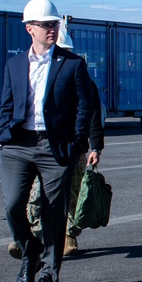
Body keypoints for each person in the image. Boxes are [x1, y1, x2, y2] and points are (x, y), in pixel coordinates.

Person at [0, 0, 94, 282]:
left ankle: (49, 274)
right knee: (13, 206)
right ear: (29, 29)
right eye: (45, 25)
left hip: (55, 147)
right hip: (17, 144)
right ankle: (31, 253)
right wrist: (3, 138)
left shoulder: (73, 64)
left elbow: (86, 105)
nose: (52, 29)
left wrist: (78, 142)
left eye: (55, 24)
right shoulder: (14, 64)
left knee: (53, 212)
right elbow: (6, 103)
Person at [12, 25, 104, 259]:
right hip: (45, 146)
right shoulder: (41, 78)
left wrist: (95, 146)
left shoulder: (83, 79)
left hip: (73, 149)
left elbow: (93, 114)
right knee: (35, 194)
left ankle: (69, 236)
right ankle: (32, 235)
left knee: (71, 195)